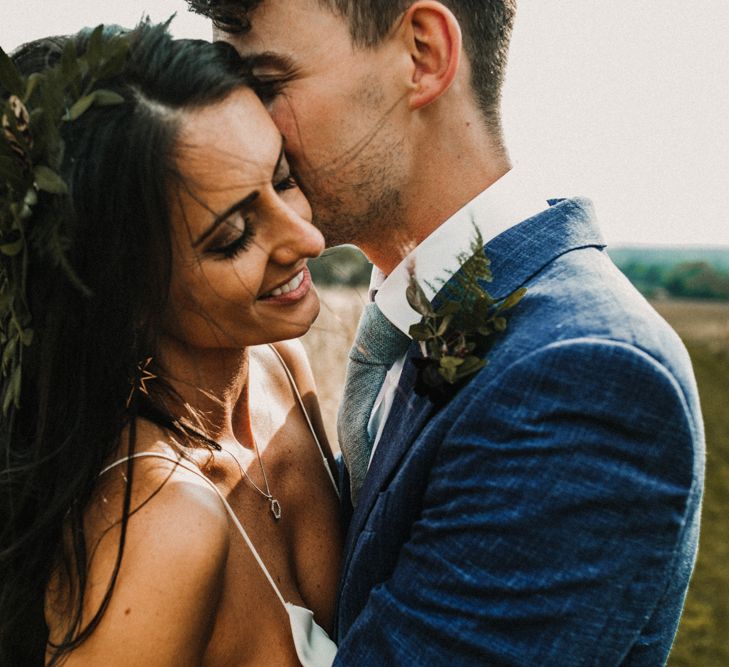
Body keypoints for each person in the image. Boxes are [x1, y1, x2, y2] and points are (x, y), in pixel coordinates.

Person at [188, 0, 706, 664]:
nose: (243, 128)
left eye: (265, 82)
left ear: (422, 55)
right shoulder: (418, 315)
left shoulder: (584, 373)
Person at [0, 22, 343, 666]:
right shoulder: (161, 523)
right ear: (124, 290)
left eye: (283, 177)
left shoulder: (279, 370)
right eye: (235, 236)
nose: (306, 239)